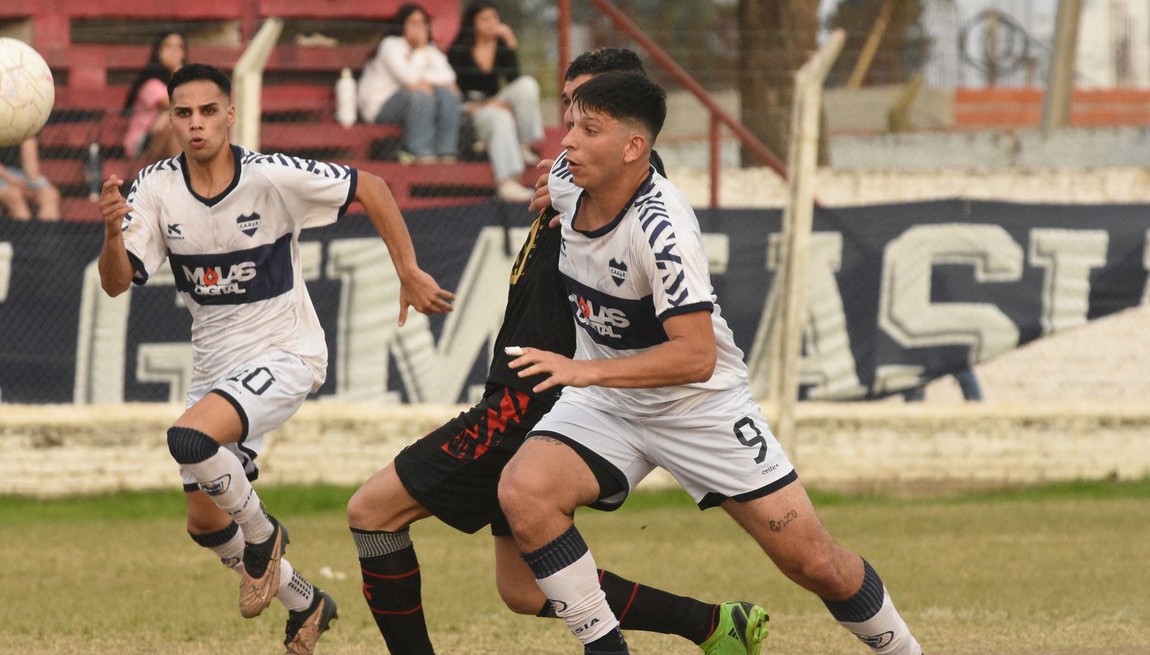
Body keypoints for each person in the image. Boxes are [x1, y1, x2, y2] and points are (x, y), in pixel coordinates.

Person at [345, 47, 765, 655]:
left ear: (628, 131)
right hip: (523, 391)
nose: (570, 125)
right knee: (522, 587)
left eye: (588, 115)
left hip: (532, 403)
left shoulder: (628, 198)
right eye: (567, 106)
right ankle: (713, 626)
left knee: (372, 512)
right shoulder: (574, 182)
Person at [499, 72, 924, 655]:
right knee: (524, 491)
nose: (568, 141)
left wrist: (585, 370)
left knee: (814, 563)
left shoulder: (662, 230)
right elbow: (558, 183)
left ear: (634, 147)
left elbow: (696, 356)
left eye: (588, 130)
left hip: (699, 406)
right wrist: (554, 189)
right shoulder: (569, 182)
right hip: (609, 404)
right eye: (569, 122)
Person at [96, 63, 456, 655]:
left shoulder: (269, 176)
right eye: (183, 113)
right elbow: (115, 283)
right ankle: (306, 602)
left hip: (286, 352)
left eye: (208, 111)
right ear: (171, 120)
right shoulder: (155, 187)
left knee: (188, 440)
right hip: (214, 368)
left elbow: (371, 186)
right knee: (205, 523)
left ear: (230, 114)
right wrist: (113, 235)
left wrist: (408, 270)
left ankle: (265, 534)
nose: (196, 124)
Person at [446, 1, 542, 203]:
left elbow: (514, 80)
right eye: (484, 19)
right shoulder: (459, 49)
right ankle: (506, 182)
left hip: (494, 101)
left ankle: (524, 144)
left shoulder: (501, 45)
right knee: (500, 116)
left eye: (494, 18)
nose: (491, 23)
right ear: (472, 22)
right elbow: (453, 93)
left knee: (527, 85)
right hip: (469, 108)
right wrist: (485, 105)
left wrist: (510, 42)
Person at [357, 4, 462, 164]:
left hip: (416, 105)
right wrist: (420, 52)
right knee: (419, 95)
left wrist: (424, 80)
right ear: (402, 25)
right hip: (381, 108)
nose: (419, 27)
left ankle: (447, 154)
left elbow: (449, 77)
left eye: (423, 23)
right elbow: (410, 79)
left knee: (447, 93)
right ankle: (423, 155)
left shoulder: (429, 49)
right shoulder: (390, 45)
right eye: (413, 22)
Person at [122, 30, 187, 176]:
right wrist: (179, 73)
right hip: (143, 143)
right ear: (158, 51)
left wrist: (167, 116)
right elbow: (179, 105)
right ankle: (182, 177)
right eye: (168, 46)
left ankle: (181, 176)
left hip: (168, 137)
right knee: (174, 122)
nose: (174, 51)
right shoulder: (150, 82)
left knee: (175, 122)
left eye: (179, 47)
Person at [0, 136, 61, 221]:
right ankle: (24, 233)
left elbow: (30, 164)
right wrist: (14, 182)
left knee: (49, 195)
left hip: (17, 174)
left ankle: (47, 233)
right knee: (14, 196)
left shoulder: (25, 127)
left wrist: (32, 184)